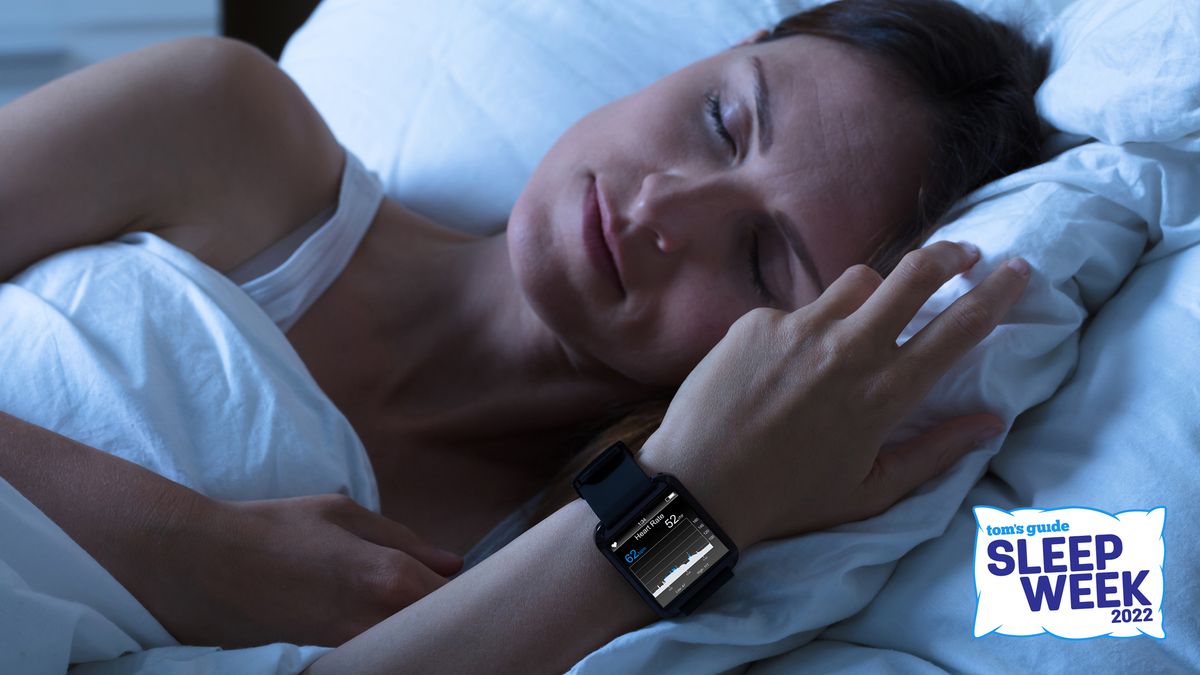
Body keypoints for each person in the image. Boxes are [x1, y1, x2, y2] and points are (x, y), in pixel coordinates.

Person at [0, 0, 1044, 666]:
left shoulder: (544, 561)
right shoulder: (224, 127)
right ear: (720, 55)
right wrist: (189, 548)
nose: (664, 209)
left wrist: (705, 500)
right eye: (722, 121)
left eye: (764, 260)